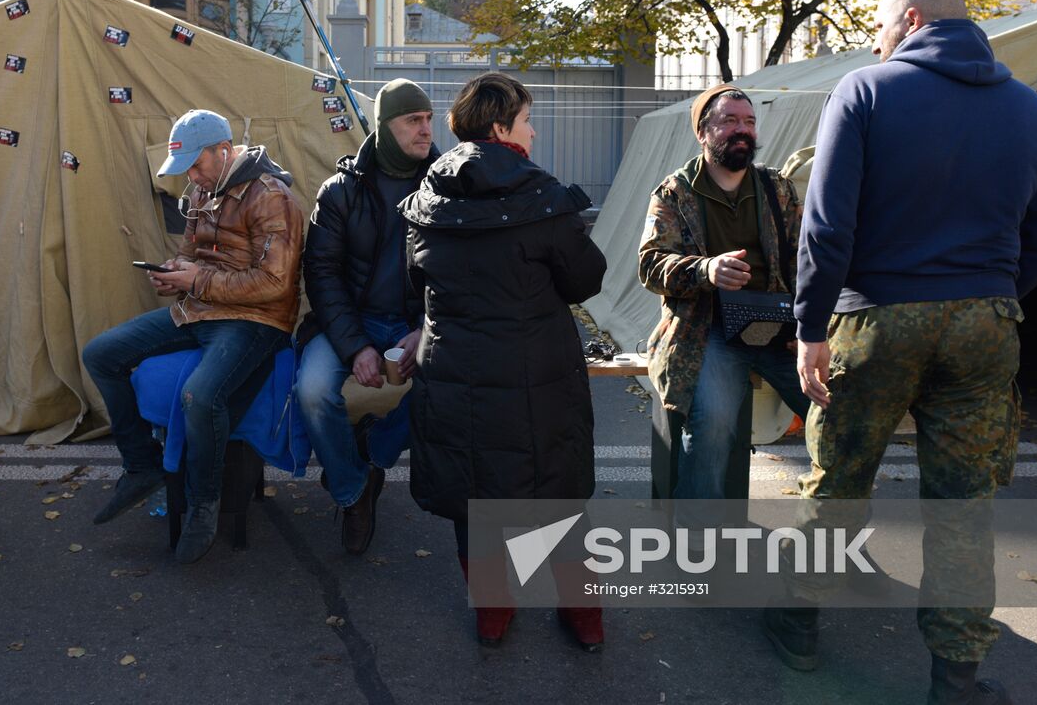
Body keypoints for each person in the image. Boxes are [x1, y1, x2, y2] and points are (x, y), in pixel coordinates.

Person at [768, 0, 1037, 705]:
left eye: (878, 26)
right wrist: (988, 298)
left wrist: (810, 328)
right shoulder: (1033, 112)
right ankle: (955, 677)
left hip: (876, 316)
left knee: (839, 479)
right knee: (963, 502)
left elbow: (827, 226)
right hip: (985, 322)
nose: (876, 40)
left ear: (908, 18)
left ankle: (799, 625)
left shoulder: (866, 91)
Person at [400, 72, 608, 651]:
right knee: (558, 495)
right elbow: (586, 279)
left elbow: (414, 282)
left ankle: (493, 614)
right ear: (499, 128)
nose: (534, 133)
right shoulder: (542, 197)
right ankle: (584, 617)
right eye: (526, 121)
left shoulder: (423, 202)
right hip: (536, 373)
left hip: (454, 372)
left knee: (476, 496)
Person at [83, 109, 303, 564]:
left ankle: (205, 502)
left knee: (200, 397)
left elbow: (275, 285)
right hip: (200, 308)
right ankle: (141, 466)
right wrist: (172, 274)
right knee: (101, 354)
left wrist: (195, 279)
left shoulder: (271, 196)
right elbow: (190, 254)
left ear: (224, 152)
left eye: (197, 165)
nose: (192, 177)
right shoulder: (203, 187)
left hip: (256, 321)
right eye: (186, 169)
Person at [637, 84, 809, 508]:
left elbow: (805, 260)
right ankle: (698, 537)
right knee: (712, 422)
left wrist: (807, 326)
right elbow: (650, 264)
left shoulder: (777, 189)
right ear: (703, 131)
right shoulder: (675, 193)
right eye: (729, 121)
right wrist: (706, 269)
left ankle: (832, 519)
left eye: (749, 122)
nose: (742, 130)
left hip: (778, 328)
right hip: (709, 332)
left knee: (835, 406)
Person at [295, 78, 439, 555]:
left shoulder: (448, 184)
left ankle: (374, 454)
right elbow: (321, 273)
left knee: (446, 389)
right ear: (384, 126)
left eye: (428, 119)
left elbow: (459, 272)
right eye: (412, 121)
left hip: (415, 324)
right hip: (349, 322)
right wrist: (355, 346)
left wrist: (427, 327)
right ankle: (353, 491)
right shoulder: (341, 191)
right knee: (313, 391)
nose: (425, 130)